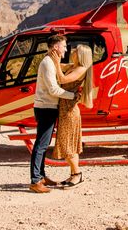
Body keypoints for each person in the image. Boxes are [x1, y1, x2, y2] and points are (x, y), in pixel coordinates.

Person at [29, 35, 77, 194]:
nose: (65, 49)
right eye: (63, 46)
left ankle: (41, 176)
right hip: (46, 108)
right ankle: (35, 180)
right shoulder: (47, 63)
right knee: (41, 145)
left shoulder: (51, 62)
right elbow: (53, 90)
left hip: (48, 107)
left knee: (43, 143)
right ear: (56, 47)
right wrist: (73, 96)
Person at [50, 44, 94, 188]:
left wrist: (56, 63)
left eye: (76, 51)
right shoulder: (74, 66)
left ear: (81, 55)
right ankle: (73, 175)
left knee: (69, 146)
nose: (73, 51)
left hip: (69, 112)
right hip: (65, 110)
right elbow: (60, 66)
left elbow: (62, 80)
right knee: (66, 143)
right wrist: (53, 58)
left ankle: (77, 175)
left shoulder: (81, 69)